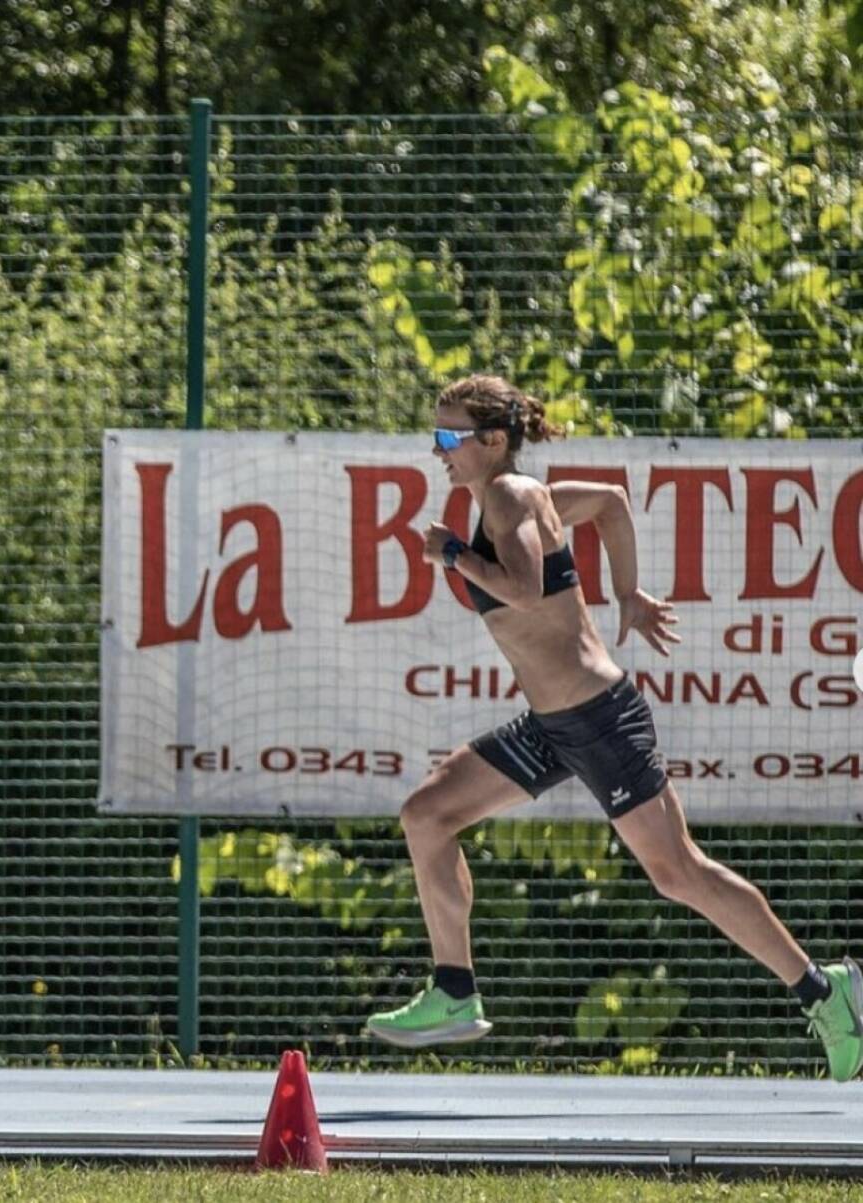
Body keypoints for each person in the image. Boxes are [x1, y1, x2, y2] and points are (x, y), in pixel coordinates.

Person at [365, 373, 862, 1082]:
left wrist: (451, 553)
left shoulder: (507, 498)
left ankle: (826, 990)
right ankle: (453, 987)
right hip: (552, 723)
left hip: (598, 719)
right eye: (437, 433)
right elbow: (612, 503)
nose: (437, 447)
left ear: (493, 440)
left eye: (449, 436)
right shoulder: (520, 496)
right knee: (428, 814)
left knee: (678, 871)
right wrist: (627, 594)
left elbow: (525, 587)